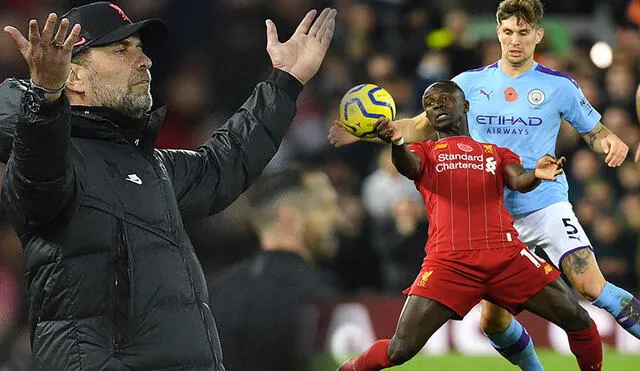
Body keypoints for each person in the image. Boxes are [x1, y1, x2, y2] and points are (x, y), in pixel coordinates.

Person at [0, 2, 336, 370]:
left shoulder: (152, 165)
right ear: (74, 77)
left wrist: (286, 81)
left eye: (141, 49)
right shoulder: (50, 160)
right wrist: (45, 98)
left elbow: (224, 162)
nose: (144, 61)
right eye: (121, 50)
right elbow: (39, 171)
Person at [330, 0, 638, 368]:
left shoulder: (560, 87)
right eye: (508, 32)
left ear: (538, 35)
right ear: (498, 33)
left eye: (524, 33)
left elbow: (595, 131)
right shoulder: (467, 84)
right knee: (494, 323)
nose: (515, 41)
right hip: (492, 217)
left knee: (590, 286)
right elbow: (414, 127)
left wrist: (610, 142)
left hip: (544, 203)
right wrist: (365, 134)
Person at [338, 80, 603, 371]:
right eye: (429, 103)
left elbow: (518, 180)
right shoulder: (424, 151)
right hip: (450, 264)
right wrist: (397, 142)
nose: (436, 105)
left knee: (579, 320)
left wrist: (536, 174)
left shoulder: (495, 152)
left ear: (465, 106)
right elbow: (408, 166)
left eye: (444, 99)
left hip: (506, 257)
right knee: (400, 349)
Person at [209, 168, 340, 371]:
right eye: (325, 206)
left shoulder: (213, 294)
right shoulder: (320, 298)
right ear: (288, 216)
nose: (335, 218)